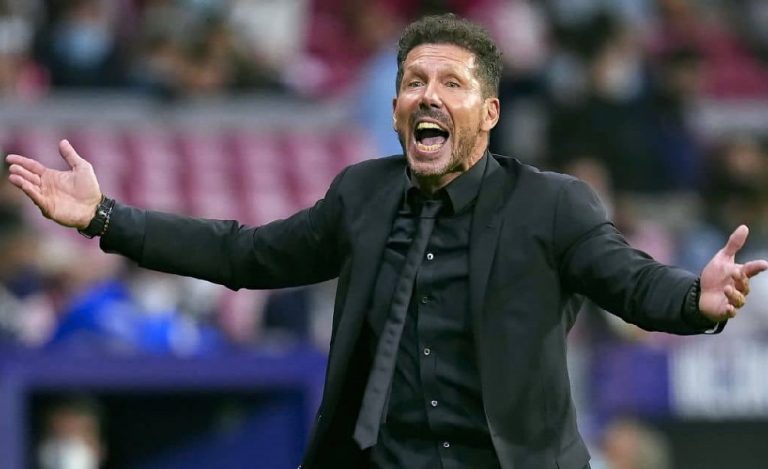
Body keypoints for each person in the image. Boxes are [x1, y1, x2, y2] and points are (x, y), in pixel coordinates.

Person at [6, 13, 767, 469]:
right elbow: (245, 254)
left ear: (490, 112)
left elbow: (628, 280)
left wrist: (695, 301)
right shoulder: (360, 196)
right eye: (413, 81)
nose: (427, 94)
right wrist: (107, 217)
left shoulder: (552, 204)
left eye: (451, 83)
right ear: (397, 105)